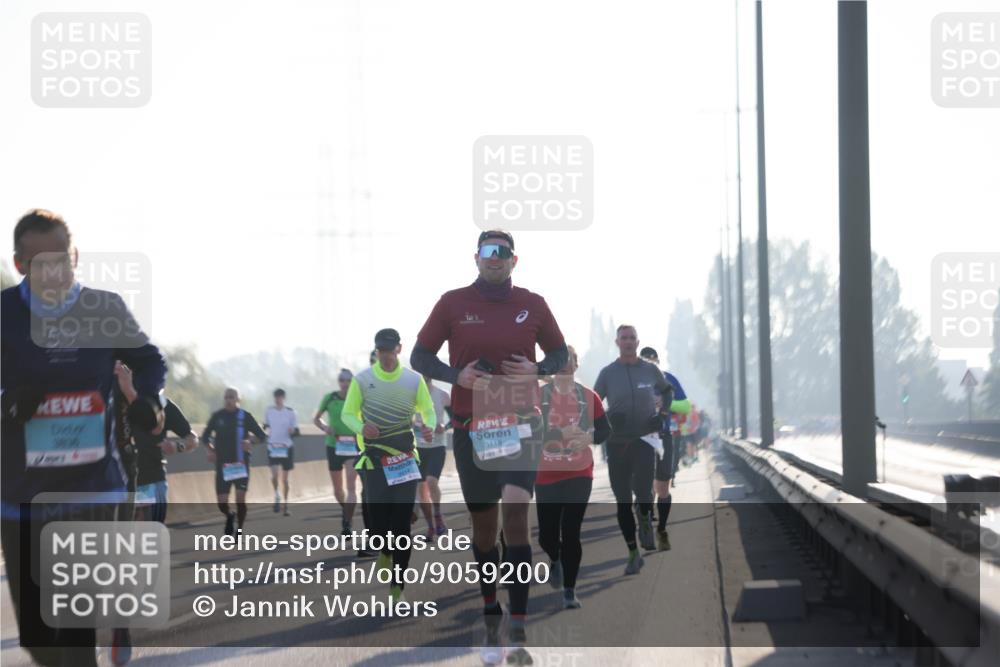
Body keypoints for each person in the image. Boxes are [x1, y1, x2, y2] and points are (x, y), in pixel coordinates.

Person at [1, 209, 167, 667]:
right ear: (19, 265)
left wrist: (148, 399)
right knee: (39, 639)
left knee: (74, 632)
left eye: (63, 260)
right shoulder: (4, 315)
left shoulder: (104, 308)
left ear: (75, 256)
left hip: (95, 486)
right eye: (41, 263)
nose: (55, 272)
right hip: (22, 495)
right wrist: (8, 401)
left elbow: (150, 361)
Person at [411, 229, 568, 666]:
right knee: (485, 532)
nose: (494, 258)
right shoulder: (452, 303)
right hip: (471, 429)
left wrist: (537, 368)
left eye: (502, 253)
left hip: (520, 426)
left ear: (514, 260)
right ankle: (490, 609)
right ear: (476, 258)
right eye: (487, 252)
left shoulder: (533, 304)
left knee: (516, 516)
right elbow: (419, 357)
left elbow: (558, 356)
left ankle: (517, 623)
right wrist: (454, 374)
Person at [341, 329, 435, 602]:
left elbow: (427, 410)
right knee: (379, 525)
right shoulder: (362, 380)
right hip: (374, 461)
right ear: (376, 351)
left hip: (405, 460)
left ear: (399, 349)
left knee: (402, 525)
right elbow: (348, 414)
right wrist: (361, 426)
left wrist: (428, 426)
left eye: (390, 351)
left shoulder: (413, 380)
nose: (385, 356)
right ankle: (383, 551)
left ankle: (398, 585)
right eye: (381, 351)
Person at [535, 345, 609, 610]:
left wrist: (588, 437)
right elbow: (528, 432)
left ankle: (570, 590)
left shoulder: (588, 396)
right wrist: (559, 435)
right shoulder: (538, 396)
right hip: (546, 473)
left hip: (580, 473)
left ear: (577, 365)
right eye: (561, 359)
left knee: (571, 532)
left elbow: (604, 430)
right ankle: (554, 559)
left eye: (571, 360)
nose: (566, 364)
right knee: (546, 535)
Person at [594, 326, 673, 574]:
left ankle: (646, 521)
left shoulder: (650, 369)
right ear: (617, 342)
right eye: (623, 338)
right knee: (622, 501)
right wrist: (606, 419)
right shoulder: (608, 373)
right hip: (617, 444)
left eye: (631, 338)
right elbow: (593, 403)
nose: (628, 342)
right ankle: (632, 553)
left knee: (643, 492)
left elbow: (668, 391)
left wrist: (661, 414)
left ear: (638, 342)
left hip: (644, 440)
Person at [117, 362, 198, 523]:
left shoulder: (162, 405)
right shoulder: (113, 404)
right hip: (122, 482)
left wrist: (177, 446)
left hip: (153, 481)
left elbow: (193, 439)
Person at [638, 347, 691, 551]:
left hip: (664, 436)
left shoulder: (668, 379)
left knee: (662, 488)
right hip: (640, 438)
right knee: (642, 486)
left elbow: (685, 407)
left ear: (658, 362)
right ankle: (645, 524)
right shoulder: (632, 381)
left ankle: (661, 529)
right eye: (645, 361)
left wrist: (664, 404)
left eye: (653, 361)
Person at [201, 387, 267, 535]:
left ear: (238, 400)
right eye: (226, 397)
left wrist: (251, 442)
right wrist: (210, 450)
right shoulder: (217, 416)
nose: (228, 400)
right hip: (222, 464)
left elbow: (262, 436)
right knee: (222, 502)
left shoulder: (245, 417)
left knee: (240, 499)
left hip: (240, 464)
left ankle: (240, 528)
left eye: (231, 397)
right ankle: (230, 515)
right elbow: (205, 436)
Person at [316, 369, 366, 537]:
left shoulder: (358, 399)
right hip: (334, 445)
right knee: (338, 491)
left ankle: (347, 522)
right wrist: (324, 427)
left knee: (351, 485)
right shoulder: (330, 398)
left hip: (353, 446)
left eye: (348, 380)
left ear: (352, 382)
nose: (345, 383)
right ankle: (347, 512)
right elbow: (317, 418)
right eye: (341, 380)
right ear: (338, 382)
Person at [415, 375, 451, 538]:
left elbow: (454, 418)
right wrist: (417, 426)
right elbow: (405, 421)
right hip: (418, 448)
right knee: (421, 490)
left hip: (437, 446)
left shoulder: (442, 395)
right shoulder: (412, 396)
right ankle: (431, 527)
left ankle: (438, 516)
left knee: (431, 481)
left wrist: (444, 426)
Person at [265, 388, 300, 516]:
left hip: (287, 447)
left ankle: (286, 504)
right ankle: (277, 495)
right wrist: (266, 432)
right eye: (276, 397)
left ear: (284, 398)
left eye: (280, 397)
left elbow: (297, 431)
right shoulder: (269, 411)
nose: (278, 399)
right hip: (273, 446)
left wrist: (293, 431)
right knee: (274, 475)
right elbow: (266, 426)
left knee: (285, 479)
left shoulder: (291, 412)